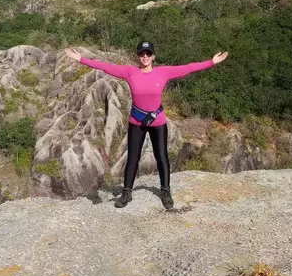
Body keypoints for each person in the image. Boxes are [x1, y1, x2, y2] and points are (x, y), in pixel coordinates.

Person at [65, 41, 228, 209]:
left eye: (148, 54)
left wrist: (211, 62)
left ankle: (165, 190)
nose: (145, 57)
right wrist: (81, 59)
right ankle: (126, 192)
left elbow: (188, 68)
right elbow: (105, 66)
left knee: (161, 157)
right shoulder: (130, 72)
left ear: (153, 56)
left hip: (157, 122)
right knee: (133, 158)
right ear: (138, 56)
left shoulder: (163, 72)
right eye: (142, 54)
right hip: (136, 121)